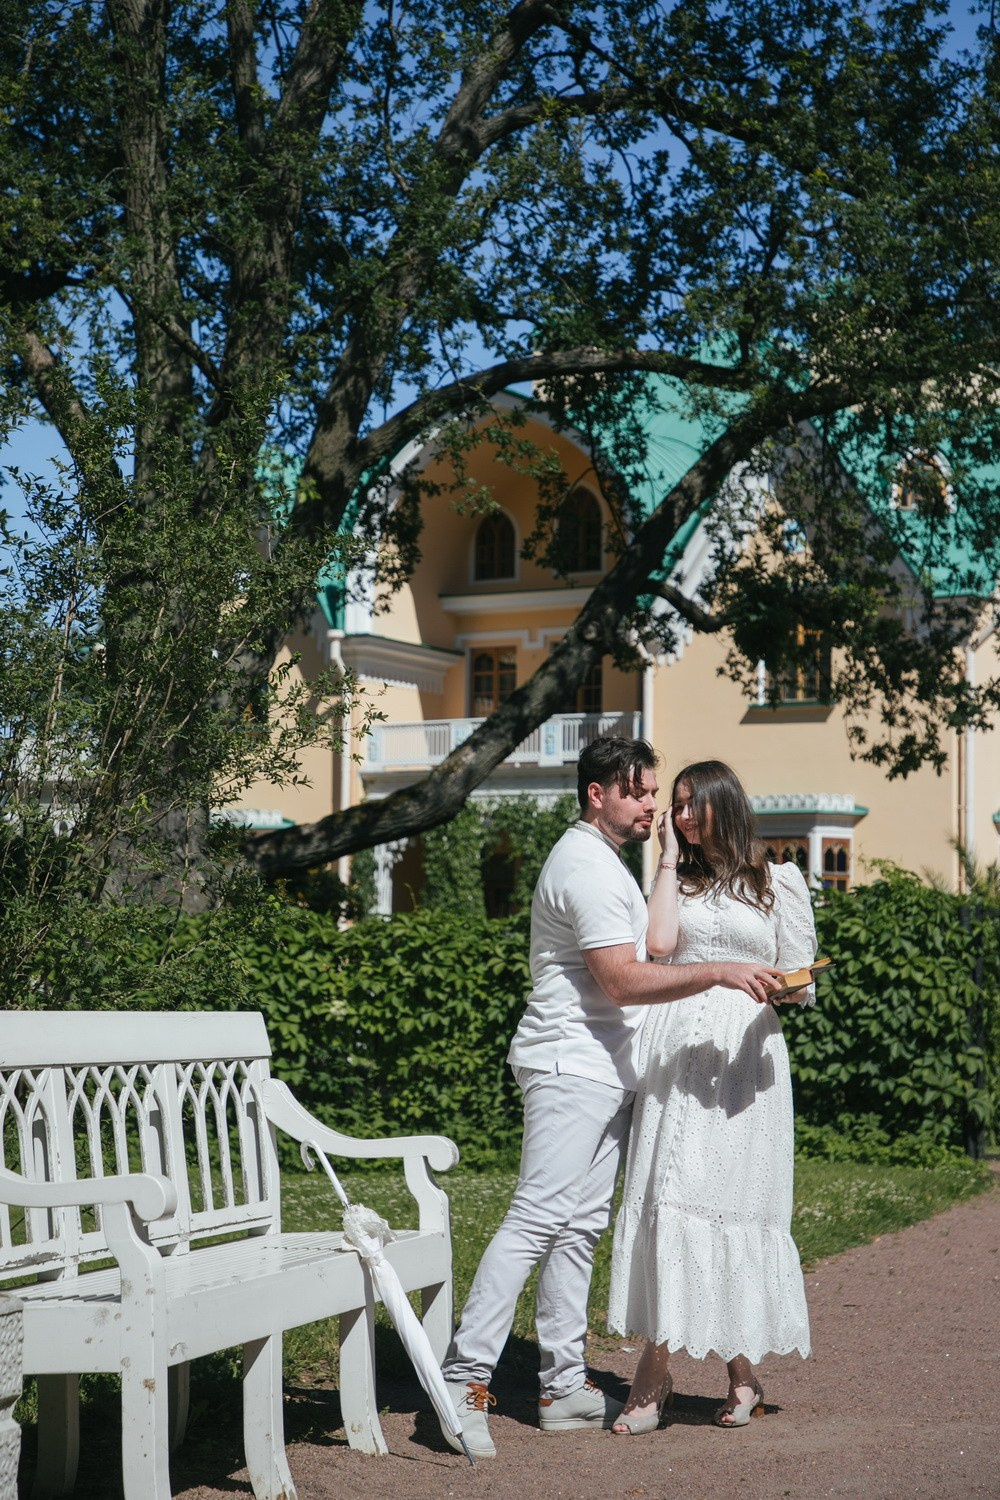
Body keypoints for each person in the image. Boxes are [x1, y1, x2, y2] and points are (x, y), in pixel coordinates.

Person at [439, 738, 783, 1459]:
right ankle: (463, 1382)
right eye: (641, 792)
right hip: (570, 1065)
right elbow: (623, 981)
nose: (655, 805)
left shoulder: (609, 860)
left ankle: (563, 1385)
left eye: (657, 792)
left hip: (604, 1070)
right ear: (598, 793)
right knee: (536, 1218)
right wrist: (720, 970)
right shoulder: (584, 865)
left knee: (577, 1228)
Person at [607, 759, 816, 1436]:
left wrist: (783, 986)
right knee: (672, 1199)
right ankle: (653, 1374)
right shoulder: (677, 878)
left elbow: (803, 978)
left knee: (735, 1205)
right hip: (682, 1052)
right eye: (676, 806)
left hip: (749, 1060)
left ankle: (742, 1374)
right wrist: (667, 858)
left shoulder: (778, 879)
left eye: (693, 805)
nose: (684, 816)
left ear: (724, 802)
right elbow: (661, 946)